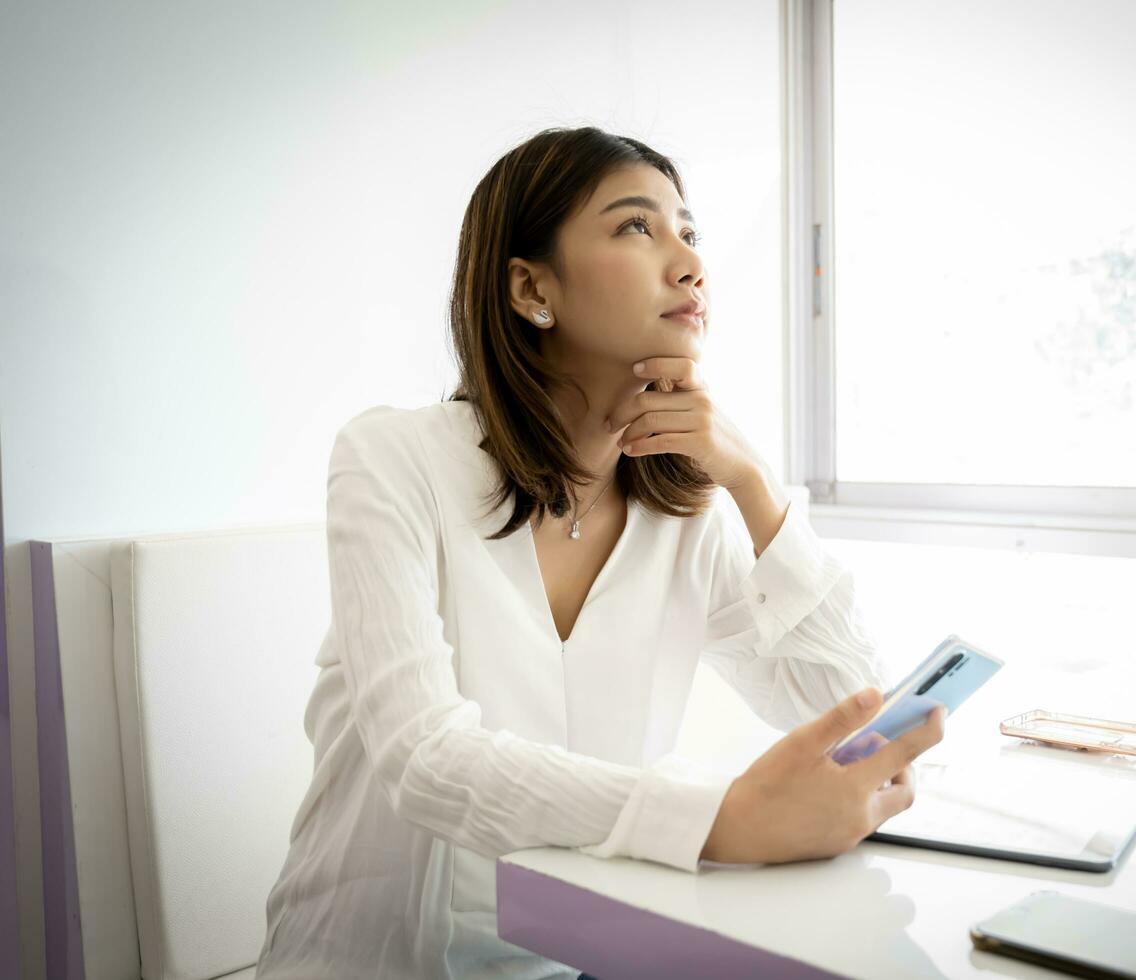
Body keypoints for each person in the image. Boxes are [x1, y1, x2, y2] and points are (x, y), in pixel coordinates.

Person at [254, 125, 947, 980]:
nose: (690, 263)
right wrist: (720, 818)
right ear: (531, 287)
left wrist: (756, 488)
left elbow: (847, 714)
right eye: (636, 227)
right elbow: (425, 759)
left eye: (688, 232)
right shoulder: (393, 459)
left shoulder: (685, 510)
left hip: (580, 959)